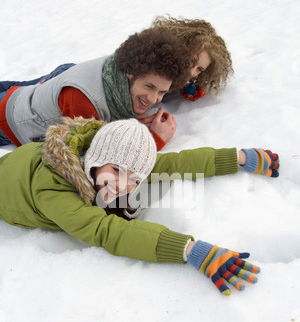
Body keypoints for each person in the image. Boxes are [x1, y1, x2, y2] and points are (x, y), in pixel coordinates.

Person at [0, 116, 280, 296]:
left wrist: (240, 157)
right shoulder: (54, 188)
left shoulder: (104, 155)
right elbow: (107, 231)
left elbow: (175, 164)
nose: (123, 184)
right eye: (117, 171)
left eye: (135, 179)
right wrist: (190, 249)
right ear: (96, 159)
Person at [0, 27, 191, 149]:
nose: (153, 99)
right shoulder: (83, 101)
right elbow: (92, 161)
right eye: (149, 86)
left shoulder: (120, 69)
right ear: (130, 72)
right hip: (8, 122)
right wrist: (153, 139)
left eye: (162, 92)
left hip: (24, 96)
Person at [151, 15, 233, 102]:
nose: (191, 72)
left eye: (199, 69)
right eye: (191, 61)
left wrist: (181, 91)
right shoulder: (149, 66)